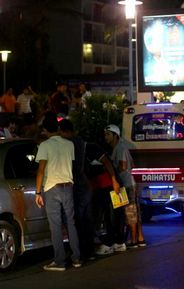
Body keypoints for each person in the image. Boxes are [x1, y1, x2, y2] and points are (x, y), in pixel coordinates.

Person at [35, 112, 82, 271]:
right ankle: (76, 258)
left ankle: (60, 261)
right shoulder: (69, 144)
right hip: (68, 186)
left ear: (45, 130)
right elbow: (71, 165)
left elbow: (41, 170)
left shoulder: (45, 145)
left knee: (55, 226)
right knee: (71, 223)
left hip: (52, 187)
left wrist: (38, 192)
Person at [104, 124, 146, 248]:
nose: (105, 137)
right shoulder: (118, 148)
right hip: (127, 183)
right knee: (133, 210)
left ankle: (133, 239)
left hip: (126, 183)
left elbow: (123, 165)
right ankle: (139, 237)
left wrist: (112, 169)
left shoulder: (120, 148)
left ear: (115, 135)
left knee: (130, 211)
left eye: (108, 134)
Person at [58, 119, 95, 261]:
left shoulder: (71, 143)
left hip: (77, 184)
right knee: (86, 218)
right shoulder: (80, 141)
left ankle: (80, 252)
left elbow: (73, 166)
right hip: (84, 183)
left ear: (65, 131)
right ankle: (88, 251)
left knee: (77, 219)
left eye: (61, 132)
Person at [85, 142, 127, 255]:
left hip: (111, 186)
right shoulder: (87, 149)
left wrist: (114, 181)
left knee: (113, 215)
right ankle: (118, 242)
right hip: (106, 186)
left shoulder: (90, 148)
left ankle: (113, 243)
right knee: (113, 215)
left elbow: (107, 163)